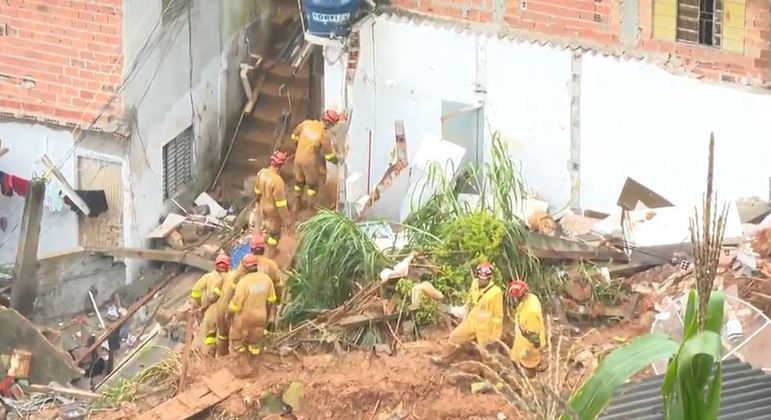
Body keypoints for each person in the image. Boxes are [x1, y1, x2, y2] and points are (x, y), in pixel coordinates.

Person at [431, 262, 504, 366]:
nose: (482, 281)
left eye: (485, 279)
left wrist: (496, 337)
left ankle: (493, 377)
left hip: (485, 328)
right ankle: (443, 360)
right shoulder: (474, 283)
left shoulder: (496, 292)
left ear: (490, 278)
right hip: (472, 320)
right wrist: (465, 319)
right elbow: (469, 303)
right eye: (481, 278)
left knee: (487, 354)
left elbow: (498, 317)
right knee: (454, 338)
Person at [227, 254, 277, 368]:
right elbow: (271, 301)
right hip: (261, 317)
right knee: (255, 342)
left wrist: (228, 313)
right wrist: (269, 317)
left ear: (244, 267)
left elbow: (236, 305)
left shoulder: (243, 282)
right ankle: (254, 364)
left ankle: (241, 366)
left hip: (244, 318)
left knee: (236, 340)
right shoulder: (266, 279)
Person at [290, 109, 340, 213]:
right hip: (310, 162)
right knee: (312, 185)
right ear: (329, 123)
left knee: (299, 181)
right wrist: (338, 160)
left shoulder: (306, 124)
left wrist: (300, 146)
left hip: (298, 158)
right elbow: (329, 155)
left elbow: (294, 136)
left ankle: (296, 203)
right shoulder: (323, 134)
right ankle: (309, 208)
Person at [254, 151, 292, 257]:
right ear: (281, 165)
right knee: (275, 234)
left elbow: (257, 191)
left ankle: (260, 247)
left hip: (262, 205)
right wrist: (287, 220)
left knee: (263, 227)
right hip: (272, 211)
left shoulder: (261, 173)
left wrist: (258, 202)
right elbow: (281, 205)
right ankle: (270, 253)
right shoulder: (277, 181)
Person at [190, 254, 229, 356]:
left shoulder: (208, 277)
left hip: (210, 311)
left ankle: (210, 356)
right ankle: (222, 356)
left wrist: (199, 304)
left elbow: (195, 291)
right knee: (224, 335)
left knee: (210, 336)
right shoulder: (230, 277)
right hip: (225, 312)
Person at [507, 279, 546, 371]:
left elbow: (533, 336)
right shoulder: (532, 298)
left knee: (527, 362)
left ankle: (531, 372)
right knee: (517, 356)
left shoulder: (530, 311)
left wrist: (527, 349)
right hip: (525, 338)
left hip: (528, 343)